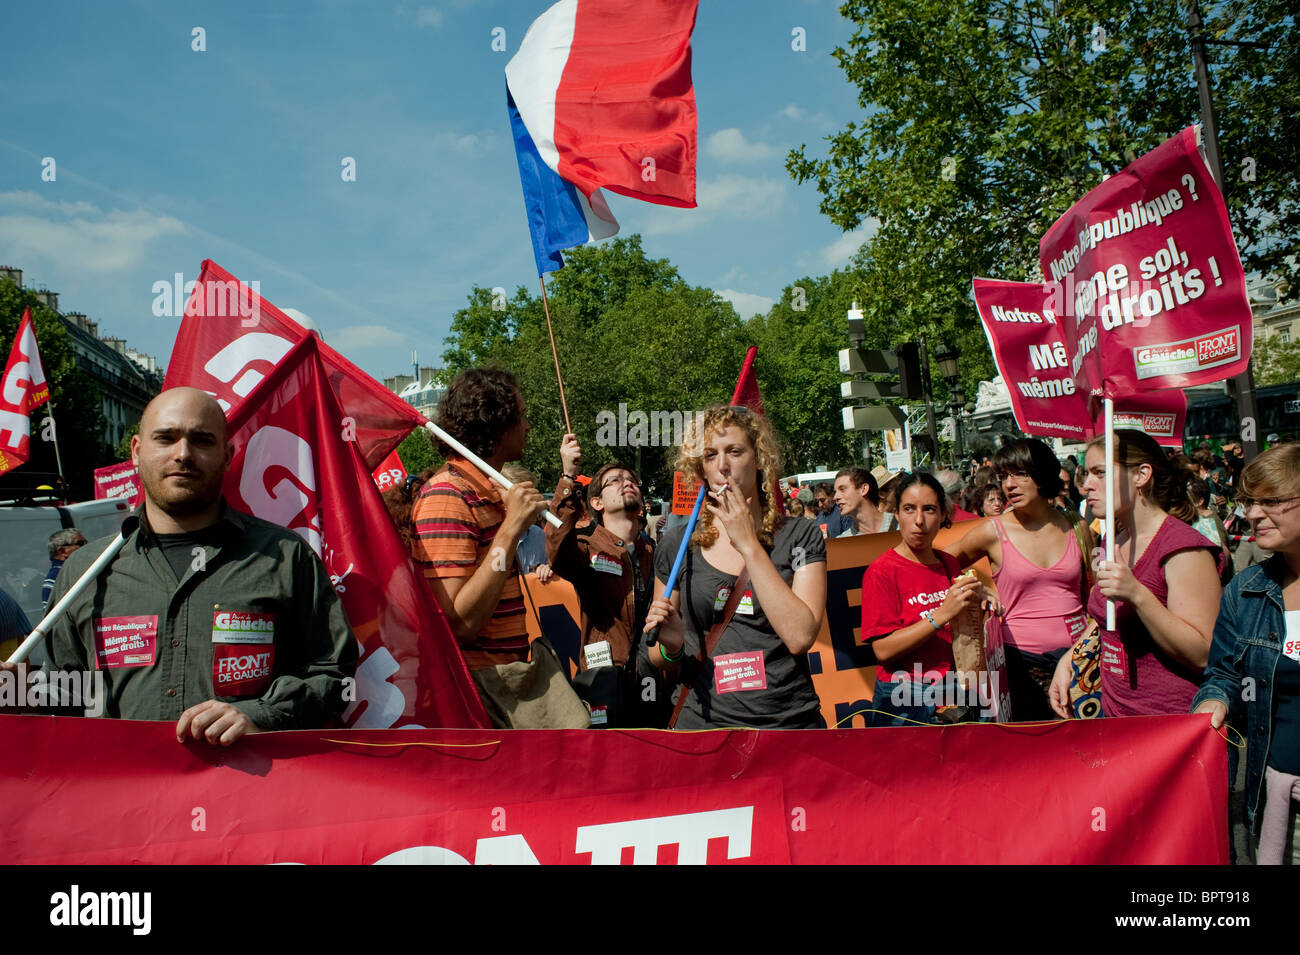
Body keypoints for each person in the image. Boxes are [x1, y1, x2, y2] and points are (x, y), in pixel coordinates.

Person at [0, 387, 358, 745]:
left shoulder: (285, 557)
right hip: (122, 794)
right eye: (166, 438)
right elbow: (68, 699)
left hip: (249, 791)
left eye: (202, 440)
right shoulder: (85, 570)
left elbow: (334, 675)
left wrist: (261, 713)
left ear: (227, 455)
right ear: (138, 452)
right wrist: (18, 696)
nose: (183, 454)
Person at [643, 405, 827, 729]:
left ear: (758, 458)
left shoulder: (800, 535)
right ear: (700, 467)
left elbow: (800, 636)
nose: (723, 466)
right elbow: (659, 655)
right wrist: (672, 646)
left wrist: (749, 544)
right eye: (710, 455)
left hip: (788, 728)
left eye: (735, 451)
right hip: (703, 729)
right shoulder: (677, 545)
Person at [1049, 430, 1222, 718]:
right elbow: (1108, 617)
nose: (1086, 486)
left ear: (1141, 475)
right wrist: (1072, 656)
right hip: (1114, 717)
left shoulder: (1183, 549)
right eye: (1086, 474)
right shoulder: (1111, 539)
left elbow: (1204, 655)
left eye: (1099, 473)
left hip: (1166, 726)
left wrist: (1138, 595)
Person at [1193, 443, 1300, 863]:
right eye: (1248, 502)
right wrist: (1215, 700)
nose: (1252, 514)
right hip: (1277, 805)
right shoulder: (1246, 589)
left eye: (1271, 501)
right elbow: (1225, 674)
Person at [410, 369, 547, 671]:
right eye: (521, 415)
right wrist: (512, 528)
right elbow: (459, 624)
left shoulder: (486, 491)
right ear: (496, 423)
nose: (528, 426)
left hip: (506, 682)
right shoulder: (446, 496)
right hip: (478, 693)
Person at [946, 438, 1093, 720]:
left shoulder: (1078, 526)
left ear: (1042, 474)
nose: (1009, 485)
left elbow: (1094, 593)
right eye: (1004, 476)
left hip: (1079, 660)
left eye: (1019, 474)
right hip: (1021, 665)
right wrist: (975, 590)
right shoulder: (992, 531)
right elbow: (940, 565)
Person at [547, 436, 665, 726]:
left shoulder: (657, 551)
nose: (626, 482)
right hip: (604, 679)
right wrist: (568, 476)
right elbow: (557, 546)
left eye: (631, 480)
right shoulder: (586, 546)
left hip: (651, 677)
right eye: (614, 481)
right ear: (597, 502)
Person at [860, 472, 983, 726]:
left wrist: (979, 601)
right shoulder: (882, 571)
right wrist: (940, 615)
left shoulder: (948, 563)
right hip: (905, 696)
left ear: (943, 516)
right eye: (909, 509)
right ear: (896, 514)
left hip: (951, 691)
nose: (919, 521)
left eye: (929, 509)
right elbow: (882, 650)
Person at [833, 468, 895, 536]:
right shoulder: (844, 543)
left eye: (842, 489)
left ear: (863, 489)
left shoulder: (902, 523)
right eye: (835, 492)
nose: (835, 497)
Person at [43, 529, 87, 611]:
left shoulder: (66, 573)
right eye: (81, 543)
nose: (87, 546)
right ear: (62, 551)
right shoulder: (60, 576)